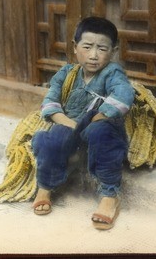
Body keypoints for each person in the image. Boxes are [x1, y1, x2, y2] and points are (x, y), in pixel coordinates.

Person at [31, 16, 135, 230]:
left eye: (102, 49)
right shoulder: (67, 73)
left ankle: (109, 195)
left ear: (113, 51)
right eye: (87, 47)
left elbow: (124, 95)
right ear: (75, 46)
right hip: (69, 123)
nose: (94, 55)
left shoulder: (112, 73)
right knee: (53, 139)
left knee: (102, 133)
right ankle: (45, 187)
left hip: (99, 124)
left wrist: (94, 120)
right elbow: (50, 102)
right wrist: (70, 125)